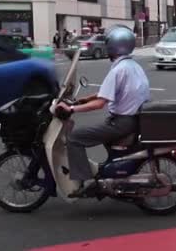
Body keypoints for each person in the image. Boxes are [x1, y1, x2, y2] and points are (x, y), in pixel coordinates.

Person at [56, 27, 150, 197]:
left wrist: (71, 108)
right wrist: (83, 100)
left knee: (75, 138)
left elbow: (100, 103)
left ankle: (85, 181)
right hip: (133, 119)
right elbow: (107, 94)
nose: (107, 50)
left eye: (109, 46)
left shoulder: (118, 70)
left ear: (114, 47)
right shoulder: (133, 66)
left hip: (122, 122)